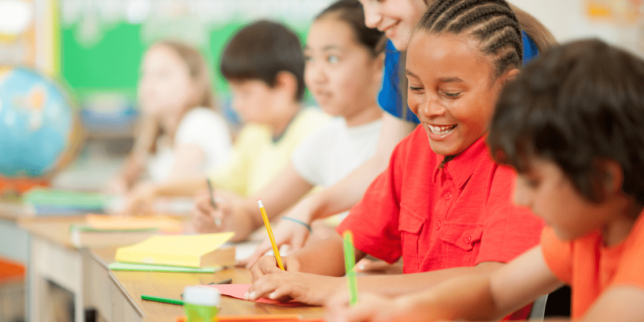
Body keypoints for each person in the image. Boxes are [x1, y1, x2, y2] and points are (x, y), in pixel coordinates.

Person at [248, 2, 547, 319]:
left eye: (451, 93)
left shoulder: (520, 161)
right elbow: (346, 244)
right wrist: (293, 267)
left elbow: (493, 281)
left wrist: (328, 288)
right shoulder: (415, 150)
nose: (428, 108)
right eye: (415, 87)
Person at [327, 38, 644, 322]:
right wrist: (400, 310)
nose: (520, 198)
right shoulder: (587, 230)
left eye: (533, 181)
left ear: (604, 179)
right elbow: (493, 291)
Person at [191, 0, 385, 242]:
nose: (316, 75)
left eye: (332, 58)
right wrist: (222, 219)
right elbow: (253, 214)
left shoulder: (399, 140)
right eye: (311, 59)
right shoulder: (326, 139)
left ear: (380, 64)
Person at [124, 21, 330, 218]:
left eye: (245, 93)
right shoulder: (256, 134)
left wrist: (242, 206)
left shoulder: (315, 130)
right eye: (233, 93)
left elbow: (315, 212)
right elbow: (218, 182)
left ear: (283, 86)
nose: (236, 104)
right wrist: (157, 189)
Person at [108, 41, 231, 196]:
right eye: (145, 74)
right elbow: (124, 177)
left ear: (193, 87)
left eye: (162, 75)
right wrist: (120, 183)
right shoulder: (157, 133)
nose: (148, 83)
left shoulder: (201, 121)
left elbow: (167, 191)